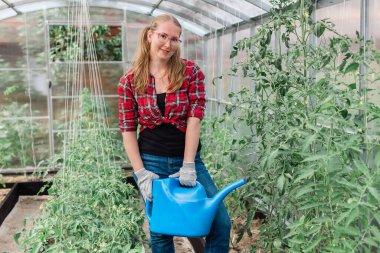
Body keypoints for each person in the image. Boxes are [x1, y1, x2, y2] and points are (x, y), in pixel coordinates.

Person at [118, 14, 231, 253]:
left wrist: (189, 164)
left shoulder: (190, 73)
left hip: (188, 160)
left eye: (175, 39)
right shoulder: (129, 81)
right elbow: (128, 130)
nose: (168, 44)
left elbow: (194, 119)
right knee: (160, 231)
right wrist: (140, 174)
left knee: (220, 223)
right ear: (150, 35)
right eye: (163, 36)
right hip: (151, 162)